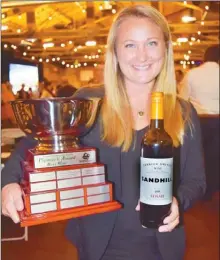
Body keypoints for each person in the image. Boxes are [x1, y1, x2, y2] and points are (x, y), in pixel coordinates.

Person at [1, 5, 206, 260]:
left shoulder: (184, 113)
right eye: (130, 45)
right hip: (97, 247)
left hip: (161, 247)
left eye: (152, 43)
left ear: (165, 48)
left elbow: (196, 181)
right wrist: (7, 182)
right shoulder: (89, 103)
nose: (142, 56)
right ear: (116, 53)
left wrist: (178, 201)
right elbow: (35, 143)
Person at [179, 46, 219, 199]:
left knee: (199, 156)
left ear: (204, 57)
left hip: (198, 121)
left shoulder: (192, 74)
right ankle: (214, 189)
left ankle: (200, 188)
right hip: (218, 121)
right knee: (216, 157)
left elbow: (183, 99)